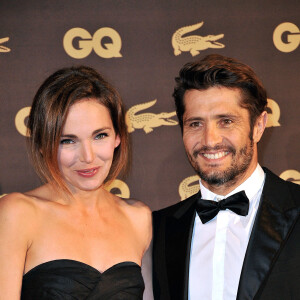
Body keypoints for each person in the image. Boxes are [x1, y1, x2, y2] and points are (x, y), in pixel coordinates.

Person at [152, 54, 300, 300]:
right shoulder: (159, 229)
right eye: (195, 124)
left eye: (226, 121)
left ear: (259, 125)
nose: (210, 140)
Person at [0, 66, 152, 299]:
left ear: (118, 136)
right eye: (68, 141)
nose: (88, 157)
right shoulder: (17, 213)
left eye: (100, 135)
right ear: (43, 145)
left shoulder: (139, 219)